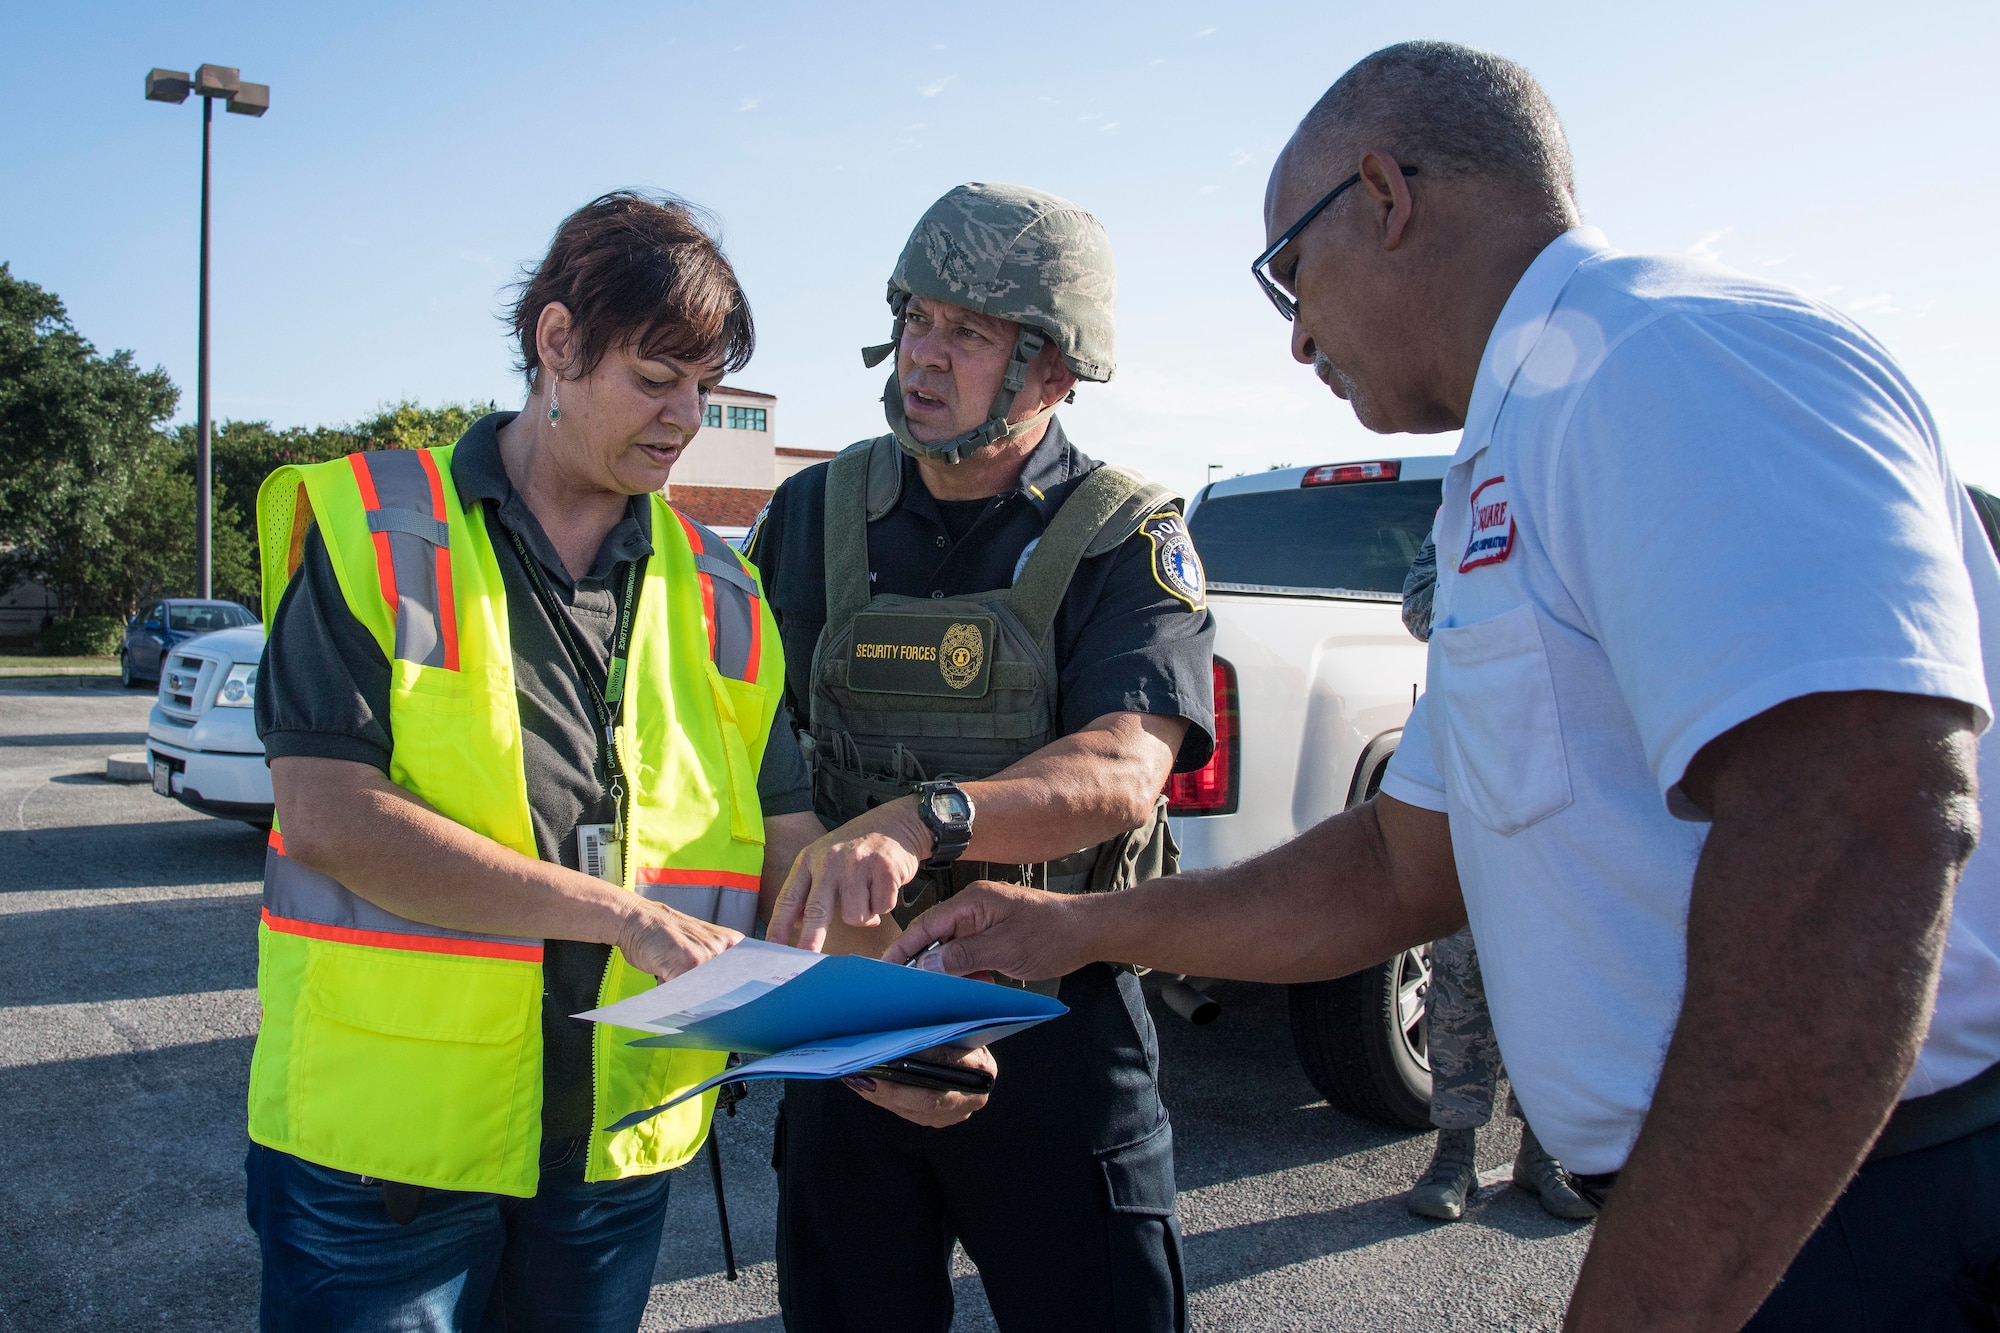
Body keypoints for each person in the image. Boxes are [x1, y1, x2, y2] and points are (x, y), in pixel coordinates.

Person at [888, 42, 2000, 1331]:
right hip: (1789, 1208)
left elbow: (1860, 835)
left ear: (1382, 196)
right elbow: (1398, 868)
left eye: (1289, 276)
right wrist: (1076, 930)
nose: (1297, 332)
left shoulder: (1666, 361)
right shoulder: (1513, 450)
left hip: (1860, 1206)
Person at [244, 191, 828, 1331]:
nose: (684, 419)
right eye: (655, 380)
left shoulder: (725, 588)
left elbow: (785, 833)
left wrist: (872, 987)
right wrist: (621, 916)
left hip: (615, 1149)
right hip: (389, 1158)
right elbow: (330, 818)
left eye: (702, 388)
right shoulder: (370, 527)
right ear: (557, 344)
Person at [745, 182, 1216, 1332]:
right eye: (915, 319)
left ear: (1050, 369)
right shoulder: (807, 512)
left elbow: (1121, 767)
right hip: (851, 1018)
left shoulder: (1123, 532)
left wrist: (923, 818)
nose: (923, 354)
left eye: (968, 331)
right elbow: (748, 745)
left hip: (1054, 1028)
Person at [1398, 535, 1592, 1224]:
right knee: (1461, 969)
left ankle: (1545, 1151)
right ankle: (1455, 1152)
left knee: (1558, 975)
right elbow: (1420, 606)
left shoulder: (1572, 501)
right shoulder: (1464, 512)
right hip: (1475, 768)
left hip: (1566, 771)